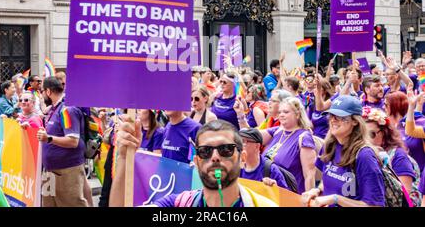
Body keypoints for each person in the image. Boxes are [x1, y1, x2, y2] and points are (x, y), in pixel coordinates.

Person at [110, 119, 277, 207]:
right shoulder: (178, 205)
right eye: (205, 151)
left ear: (242, 159)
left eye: (226, 149)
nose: (215, 157)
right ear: (196, 162)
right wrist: (124, 158)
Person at [302, 95, 385, 207]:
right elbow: (328, 179)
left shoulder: (364, 156)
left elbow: (375, 205)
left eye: (340, 116)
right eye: (331, 115)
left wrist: (336, 199)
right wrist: (317, 190)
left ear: (355, 121)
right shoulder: (329, 146)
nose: (333, 120)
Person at [36, 76, 90, 207]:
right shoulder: (55, 108)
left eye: (42, 91)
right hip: (50, 171)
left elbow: (73, 141)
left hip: (66, 171)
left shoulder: (67, 110)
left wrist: (48, 138)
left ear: (48, 91)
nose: (42, 95)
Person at [249, 97, 316, 194]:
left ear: (297, 114)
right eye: (280, 112)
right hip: (268, 192)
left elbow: (309, 174)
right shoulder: (277, 131)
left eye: (286, 112)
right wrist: (240, 117)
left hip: (289, 195)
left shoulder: (304, 137)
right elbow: (249, 137)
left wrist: (309, 199)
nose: (281, 115)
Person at [363, 106, 416, 195]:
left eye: (371, 134)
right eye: (362, 134)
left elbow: (404, 195)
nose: (366, 139)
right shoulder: (362, 153)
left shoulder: (398, 156)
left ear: (384, 133)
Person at [386, 91, 425, 171]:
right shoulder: (386, 126)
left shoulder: (420, 121)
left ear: (395, 106)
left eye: (386, 105)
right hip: (400, 172)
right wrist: (412, 106)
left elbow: (411, 129)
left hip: (420, 174)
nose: (384, 107)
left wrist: (415, 106)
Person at [309, 75, 336, 139]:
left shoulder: (332, 102)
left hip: (328, 139)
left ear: (325, 90)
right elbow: (309, 124)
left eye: (318, 87)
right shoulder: (312, 105)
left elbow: (321, 107)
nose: (315, 90)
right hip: (315, 139)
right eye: (314, 87)